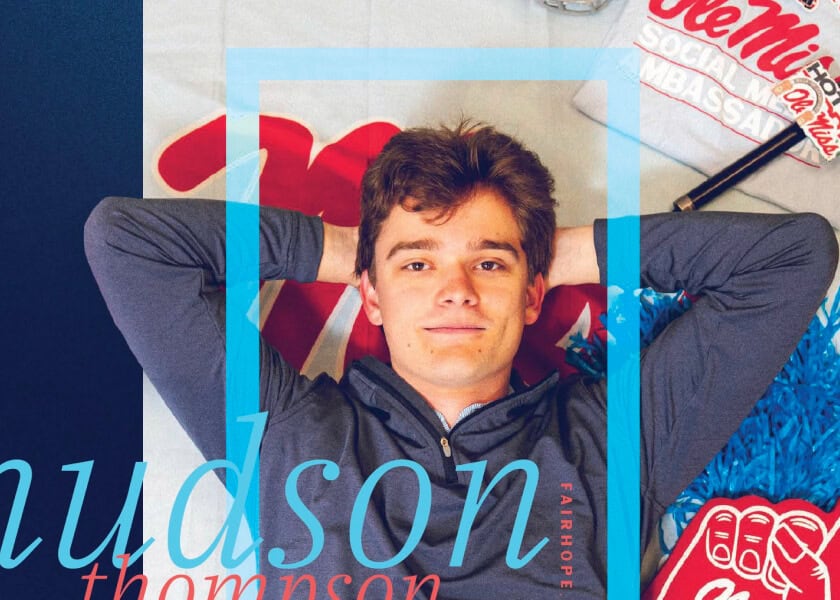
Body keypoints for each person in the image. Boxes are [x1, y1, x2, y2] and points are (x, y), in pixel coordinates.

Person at [84, 122, 837, 599]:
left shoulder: (616, 440)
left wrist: (559, 251)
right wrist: (354, 252)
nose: (455, 292)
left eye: (489, 266)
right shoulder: (285, 435)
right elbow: (127, 242)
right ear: (371, 298)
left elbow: (793, 257)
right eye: (419, 267)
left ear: (536, 294)